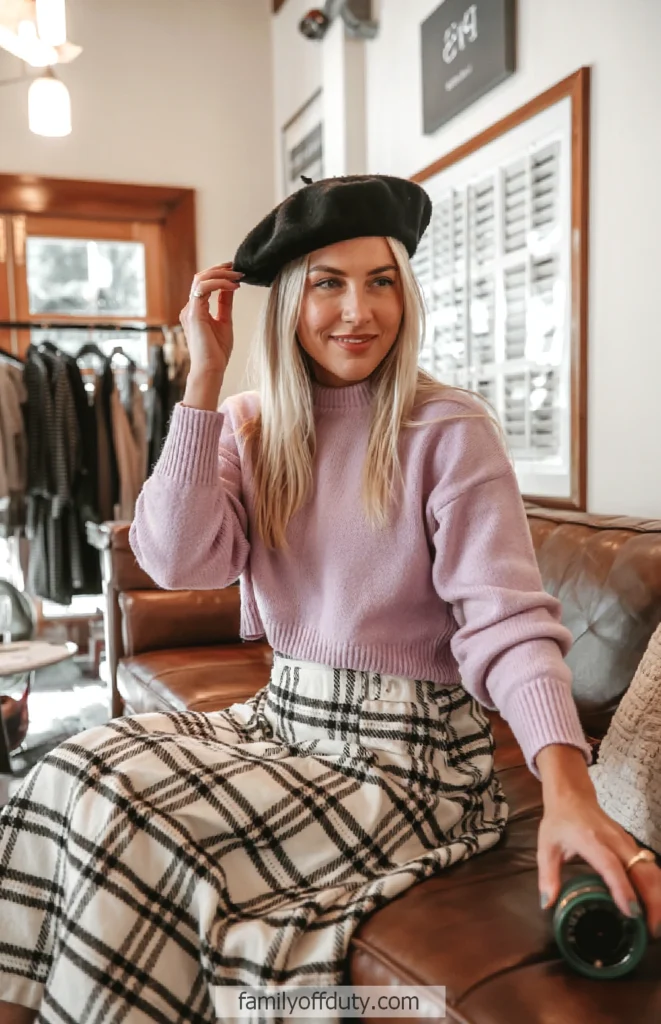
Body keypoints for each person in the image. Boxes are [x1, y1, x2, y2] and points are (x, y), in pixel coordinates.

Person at [0, 175, 659, 1024]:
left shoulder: (448, 428)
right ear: (288, 303)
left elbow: (506, 619)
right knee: (66, 771)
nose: (358, 311)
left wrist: (567, 786)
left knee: (129, 814)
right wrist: (201, 383)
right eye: (327, 283)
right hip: (279, 720)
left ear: (405, 294)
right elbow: (175, 558)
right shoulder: (246, 421)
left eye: (380, 281)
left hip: (412, 760)